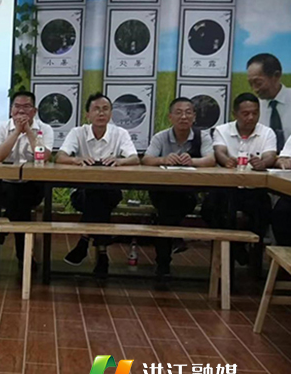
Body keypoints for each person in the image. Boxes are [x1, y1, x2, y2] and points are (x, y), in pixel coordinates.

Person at [56, 93, 139, 276]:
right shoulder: (78, 132)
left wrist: (120, 161)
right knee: (96, 196)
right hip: (81, 194)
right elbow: (60, 157)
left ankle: (84, 241)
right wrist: (76, 160)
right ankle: (101, 253)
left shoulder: (120, 133)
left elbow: (134, 158)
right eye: (96, 109)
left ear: (111, 114)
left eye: (105, 109)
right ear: (88, 114)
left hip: (111, 192)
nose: (101, 113)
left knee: (101, 194)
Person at [141, 97, 216, 279]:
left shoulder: (202, 137)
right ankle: (169, 249)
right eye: (179, 113)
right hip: (162, 192)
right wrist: (163, 159)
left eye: (188, 112)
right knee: (167, 206)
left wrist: (193, 161)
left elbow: (210, 160)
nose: (184, 117)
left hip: (187, 194)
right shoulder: (161, 137)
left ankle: (163, 262)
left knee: (166, 214)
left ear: (194, 116)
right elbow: (146, 159)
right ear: (170, 117)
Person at [203, 93, 276, 264]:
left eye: (255, 113)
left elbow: (270, 155)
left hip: (253, 190)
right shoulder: (222, 130)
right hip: (226, 188)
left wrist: (263, 163)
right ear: (235, 114)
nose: (251, 117)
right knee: (209, 208)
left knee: (264, 211)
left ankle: (253, 258)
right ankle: (234, 248)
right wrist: (226, 161)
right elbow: (219, 151)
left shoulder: (267, 132)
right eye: (245, 113)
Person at [0, 90, 53, 267]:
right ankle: (23, 256)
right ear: (11, 110)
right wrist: (17, 131)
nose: (21, 111)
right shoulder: (1, 127)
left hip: (32, 185)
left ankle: (5, 227)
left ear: (34, 111)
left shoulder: (45, 129)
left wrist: (29, 132)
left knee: (20, 198)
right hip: (5, 184)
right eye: (17, 106)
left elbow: (43, 156)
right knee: (18, 202)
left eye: (26, 107)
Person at [247, 54, 291, 152]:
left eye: (258, 83)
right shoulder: (254, 108)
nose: (255, 89)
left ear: (276, 76)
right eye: (251, 84)